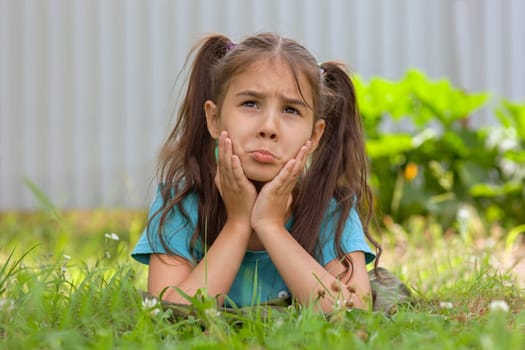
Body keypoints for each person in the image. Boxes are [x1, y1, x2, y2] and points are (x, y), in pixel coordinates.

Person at [132, 32, 383, 313]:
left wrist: (271, 226)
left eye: (290, 110)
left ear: (314, 135)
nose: (269, 127)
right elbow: (169, 312)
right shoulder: (181, 203)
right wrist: (238, 223)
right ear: (214, 119)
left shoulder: (330, 209)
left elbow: (353, 312)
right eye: (250, 103)